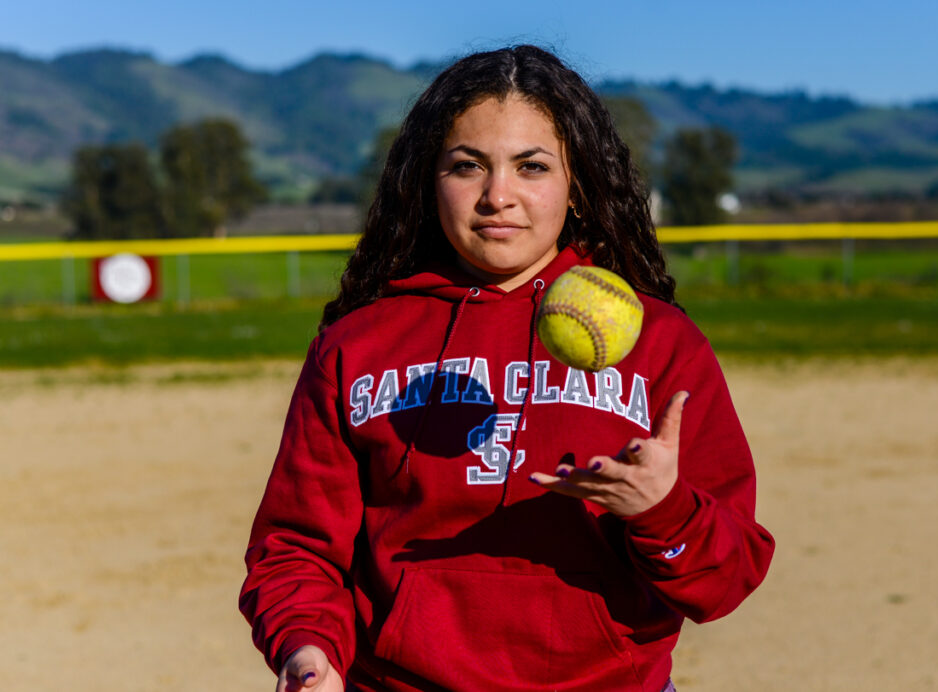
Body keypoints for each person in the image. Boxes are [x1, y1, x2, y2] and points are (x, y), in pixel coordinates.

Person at [240, 44, 774, 692]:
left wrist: (662, 508)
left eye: (532, 166)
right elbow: (298, 549)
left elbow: (726, 578)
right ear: (427, 180)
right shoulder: (359, 346)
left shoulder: (661, 344)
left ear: (575, 185)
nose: (499, 195)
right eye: (468, 166)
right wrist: (309, 647)